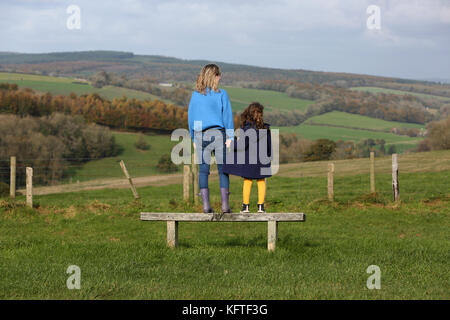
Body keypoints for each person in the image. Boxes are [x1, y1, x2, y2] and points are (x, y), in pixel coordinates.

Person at [188, 64, 234, 213]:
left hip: (201, 134)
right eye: (218, 75)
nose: (220, 77)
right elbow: (227, 116)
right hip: (219, 134)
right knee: (223, 171)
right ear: (213, 76)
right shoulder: (222, 94)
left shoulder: (196, 95)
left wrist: (194, 137)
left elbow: (192, 118)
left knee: (203, 171)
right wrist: (230, 136)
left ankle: (206, 205)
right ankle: (225, 206)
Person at [223, 102, 272, 213]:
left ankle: (246, 206)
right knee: (261, 181)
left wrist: (231, 143)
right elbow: (269, 145)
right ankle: (261, 207)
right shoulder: (266, 128)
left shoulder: (246, 128)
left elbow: (242, 145)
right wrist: (269, 158)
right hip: (262, 159)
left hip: (249, 159)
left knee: (248, 181)